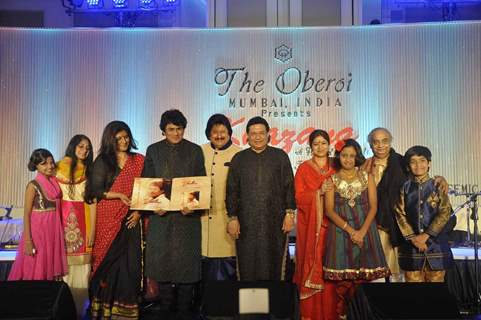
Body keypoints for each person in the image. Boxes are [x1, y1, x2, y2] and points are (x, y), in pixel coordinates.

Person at [142, 109, 206, 320]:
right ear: (163, 131)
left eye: (179, 129)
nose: (176, 133)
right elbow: (147, 182)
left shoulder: (195, 150)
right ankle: (166, 310)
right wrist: (153, 205)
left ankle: (185, 312)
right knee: (162, 265)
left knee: (186, 268)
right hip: (161, 218)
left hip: (187, 218)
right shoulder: (153, 150)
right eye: (171, 129)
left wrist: (194, 205)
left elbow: (201, 182)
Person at [362, 127, 448, 282]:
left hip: (400, 231)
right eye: (376, 142)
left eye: (385, 141)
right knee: (376, 276)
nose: (380, 145)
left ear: (391, 142)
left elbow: (422, 177)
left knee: (402, 276)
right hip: (374, 228)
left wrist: (441, 179)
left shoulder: (403, 162)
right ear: (370, 145)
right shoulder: (364, 166)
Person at [323, 139, 390, 319]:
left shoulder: (366, 177)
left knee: (365, 281)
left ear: (357, 157)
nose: (348, 159)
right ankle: (343, 315)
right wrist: (351, 231)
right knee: (343, 283)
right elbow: (328, 210)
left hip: (366, 230)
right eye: (344, 155)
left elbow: (373, 207)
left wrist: (361, 232)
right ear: (339, 157)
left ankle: (365, 315)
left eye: (352, 156)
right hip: (340, 233)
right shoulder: (332, 179)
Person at [85, 121, 144, 319]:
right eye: (118, 138)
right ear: (111, 139)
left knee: (129, 264)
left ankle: (125, 309)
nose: (124, 141)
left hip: (131, 218)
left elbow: (146, 189)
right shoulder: (103, 161)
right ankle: (103, 308)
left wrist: (138, 213)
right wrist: (118, 195)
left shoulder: (139, 160)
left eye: (126, 136)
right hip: (108, 218)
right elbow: (95, 191)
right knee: (107, 264)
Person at [226, 116, 296, 281]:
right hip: (246, 223)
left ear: (268, 135)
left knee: (275, 264)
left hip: (275, 222)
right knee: (247, 263)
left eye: (261, 133)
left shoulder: (280, 157)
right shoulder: (239, 159)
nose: (257, 137)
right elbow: (231, 191)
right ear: (247, 136)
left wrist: (290, 214)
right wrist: (232, 218)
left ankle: (273, 303)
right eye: (253, 133)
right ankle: (250, 304)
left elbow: (289, 187)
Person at [294, 130, 338, 320]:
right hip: (311, 228)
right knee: (311, 263)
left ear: (329, 145)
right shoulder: (304, 169)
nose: (320, 147)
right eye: (316, 144)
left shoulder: (337, 167)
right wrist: (318, 192)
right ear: (310, 147)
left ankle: (332, 313)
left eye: (323, 143)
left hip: (334, 227)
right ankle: (310, 313)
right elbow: (297, 197)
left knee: (332, 268)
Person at [394, 146, 454, 282]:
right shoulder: (405, 187)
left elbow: (445, 212)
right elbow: (400, 214)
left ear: (429, 164)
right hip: (411, 246)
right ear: (408, 166)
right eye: (413, 161)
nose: (418, 165)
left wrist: (426, 235)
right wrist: (414, 239)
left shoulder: (438, 185)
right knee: (414, 288)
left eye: (422, 161)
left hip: (436, 245)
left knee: (436, 287)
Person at [8, 149, 67, 280]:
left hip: (52, 231)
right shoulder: (33, 185)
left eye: (51, 162)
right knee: (35, 265)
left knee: (48, 266)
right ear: (36, 166)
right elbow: (26, 214)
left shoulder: (55, 183)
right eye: (44, 164)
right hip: (38, 232)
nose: (50, 166)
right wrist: (28, 240)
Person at [56, 134, 95, 317]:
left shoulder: (90, 172)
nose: (84, 151)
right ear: (73, 146)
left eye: (87, 148)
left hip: (83, 221)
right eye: (81, 146)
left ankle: (79, 311)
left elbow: (92, 202)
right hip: (60, 223)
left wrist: (93, 230)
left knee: (82, 270)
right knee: (62, 269)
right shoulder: (56, 169)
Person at [200, 113, 241, 281]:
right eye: (214, 131)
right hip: (201, 219)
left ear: (230, 133)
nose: (218, 135)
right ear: (208, 134)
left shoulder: (239, 154)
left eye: (222, 131)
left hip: (226, 220)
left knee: (226, 269)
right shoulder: (199, 151)